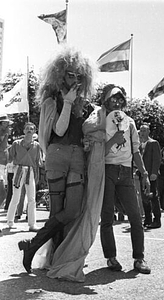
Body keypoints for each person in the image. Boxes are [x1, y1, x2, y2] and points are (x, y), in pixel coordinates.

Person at [18, 45, 105, 282]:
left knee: (73, 210)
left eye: (79, 75)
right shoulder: (51, 101)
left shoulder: (86, 104)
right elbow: (58, 130)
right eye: (70, 74)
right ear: (60, 75)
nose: (75, 79)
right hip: (56, 154)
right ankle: (54, 260)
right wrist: (66, 103)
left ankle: (31, 245)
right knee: (58, 212)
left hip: (77, 156)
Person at [100, 84, 151, 274]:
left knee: (136, 216)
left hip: (127, 171)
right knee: (107, 217)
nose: (117, 102)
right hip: (108, 170)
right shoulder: (101, 120)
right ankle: (111, 258)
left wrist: (144, 173)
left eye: (120, 98)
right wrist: (114, 140)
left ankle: (139, 258)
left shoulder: (130, 122)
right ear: (106, 101)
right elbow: (98, 152)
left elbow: (135, 150)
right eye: (113, 98)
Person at [6, 122, 42, 231]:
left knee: (32, 198)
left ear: (34, 131)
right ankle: (10, 221)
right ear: (24, 131)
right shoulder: (16, 144)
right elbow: (9, 158)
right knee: (16, 196)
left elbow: (37, 163)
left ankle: (32, 224)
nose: (29, 130)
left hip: (31, 171)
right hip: (19, 170)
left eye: (31, 129)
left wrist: (37, 176)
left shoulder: (37, 146)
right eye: (27, 128)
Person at [139, 123, 161, 228]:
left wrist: (154, 172)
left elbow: (157, 159)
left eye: (144, 130)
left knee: (153, 197)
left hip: (151, 174)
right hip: (142, 174)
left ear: (148, 131)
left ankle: (157, 220)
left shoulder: (153, 143)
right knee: (144, 197)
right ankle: (147, 219)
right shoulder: (139, 144)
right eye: (141, 130)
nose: (142, 132)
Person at [0, 114, 13, 208]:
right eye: (5, 123)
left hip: (4, 161)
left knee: (5, 184)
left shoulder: (5, 133)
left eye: (7, 123)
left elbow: (5, 146)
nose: (7, 124)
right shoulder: (3, 132)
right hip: (1, 161)